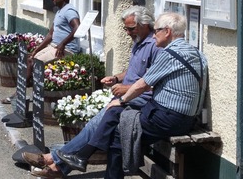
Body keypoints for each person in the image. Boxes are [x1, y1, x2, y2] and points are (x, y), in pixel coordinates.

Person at [28, 11, 205, 179]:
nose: (154, 34)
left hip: (167, 116)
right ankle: (74, 157)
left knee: (119, 130)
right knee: (114, 116)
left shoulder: (169, 54)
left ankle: (69, 158)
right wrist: (117, 87)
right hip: (181, 117)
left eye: (156, 30)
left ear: (167, 32)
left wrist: (121, 99)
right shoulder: (194, 52)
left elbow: (143, 84)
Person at [22, 6, 159, 175]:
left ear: (145, 24)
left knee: (95, 125)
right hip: (126, 96)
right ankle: (57, 165)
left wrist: (127, 88)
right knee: (93, 126)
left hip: (139, 99)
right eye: (126, 28)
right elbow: (133, 71)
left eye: (131, 28)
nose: (127, 32)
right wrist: (116, 78)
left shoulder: (155, 45)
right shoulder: (138, 41)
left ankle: (52, 159)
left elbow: (152, 82)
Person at [26, 0, 81, 84]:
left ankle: (22, 92)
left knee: (34, 63)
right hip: (54, 46)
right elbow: (50, 35)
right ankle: (28, 88)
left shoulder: (69, 11)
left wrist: (63, 44)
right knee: (30, 59)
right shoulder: (59, 11)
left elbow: (77, 27)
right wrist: (35, 50)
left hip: (66, 49)